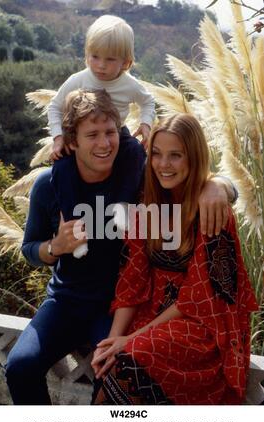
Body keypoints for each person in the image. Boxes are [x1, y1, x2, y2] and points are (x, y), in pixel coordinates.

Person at [5, 90, 237, 405]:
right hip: (65, 303)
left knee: (114, 376)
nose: (104, 143)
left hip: (120, 309)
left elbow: (186, 174)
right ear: (71, 142)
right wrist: (55, 246)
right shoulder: (49, 184)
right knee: (20, 366)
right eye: (92, 135)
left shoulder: (139, 177)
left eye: (110, 132)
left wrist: (218, 185)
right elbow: (30, 249)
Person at [92, 113, 258, 405]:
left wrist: (129, 341)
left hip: (202, 326)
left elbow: (198, 298)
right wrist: (113, 339)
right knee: (110, 366)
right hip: (154, 316)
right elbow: (132, 279)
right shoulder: (149, 204)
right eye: (156, 154)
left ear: (193, 158)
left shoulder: (212, 210)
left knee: (131, 358)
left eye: (175, 156)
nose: (163, 165)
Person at [47, 14, 155, 255]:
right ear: (86, 54)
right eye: (94, 57)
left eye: (110, 59)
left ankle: (122, 205)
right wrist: (58, 137)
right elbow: (54, 106)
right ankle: (76, 230)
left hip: (116, 133)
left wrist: (146, 124)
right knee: (62, 168)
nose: (100, 65)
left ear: (126, 62)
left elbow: (148, 102)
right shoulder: (79, 79)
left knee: (136, 152)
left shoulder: (129, 84)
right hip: (79, 138)